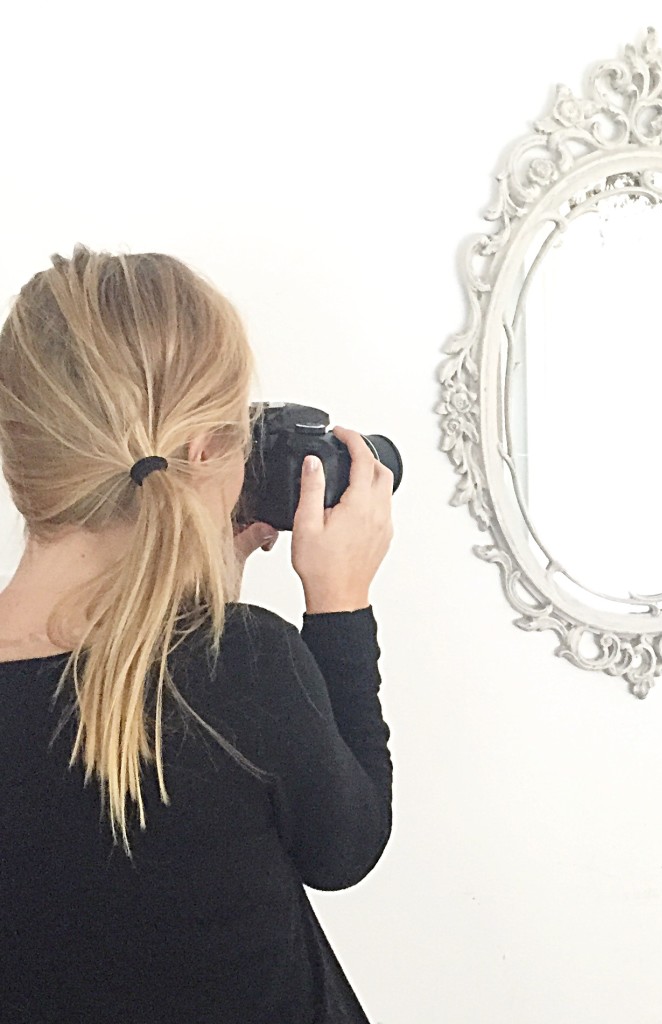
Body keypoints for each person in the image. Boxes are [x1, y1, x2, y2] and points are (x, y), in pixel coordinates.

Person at [0, 244, 395, 1023]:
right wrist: (341, 606)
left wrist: (205, 584)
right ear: (205, 450)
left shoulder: (230, 664)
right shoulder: (244, 665)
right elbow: (345, 848)